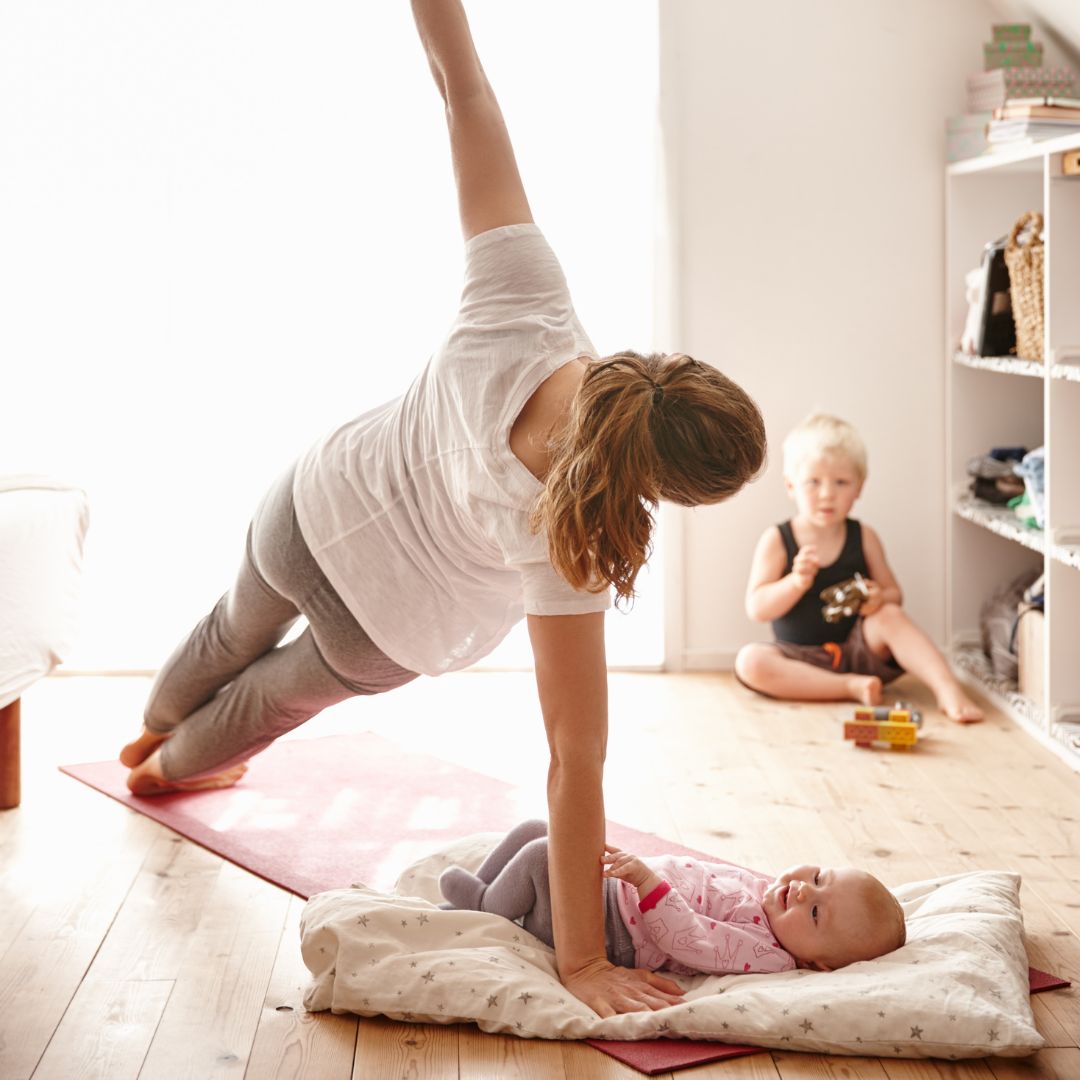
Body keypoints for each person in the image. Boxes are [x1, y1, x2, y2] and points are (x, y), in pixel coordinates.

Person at [117, 0, 767, 1017]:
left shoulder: (526, 292)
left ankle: (151, 718)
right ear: (653, 483)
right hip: (381, 629)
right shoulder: (574, 538)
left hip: (308, 507)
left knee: (225, 625)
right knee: (264, 708)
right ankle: (165, 763)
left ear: (665, 366)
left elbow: (465, 88)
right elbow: (574, 762)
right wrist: (583, 962)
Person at [734, 414, 983, 723]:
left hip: (858, 651)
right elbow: (757, 608)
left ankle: (947, 688)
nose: (827, 493)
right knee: (751, 661)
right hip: (798, 657)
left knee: (891, 617)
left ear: (859, 488)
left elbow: (894, 595)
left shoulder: (863, 536)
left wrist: (879, 598)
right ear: (791, 486)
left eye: (841, 482)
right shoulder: (777, 539)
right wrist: (795, 583)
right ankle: (850, 687)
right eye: (813, 482)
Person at [439, 820, 906, 974]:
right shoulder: (768, 894)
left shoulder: (767, 953)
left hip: (606, 932)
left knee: (544, 856)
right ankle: (481, 896)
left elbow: (692, 941)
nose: (805, 889)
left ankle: (484, 910)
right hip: (610, 895)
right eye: (820, 877)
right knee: (542, 828)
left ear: (818, 963)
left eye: (817, 911)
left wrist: (646, 882)